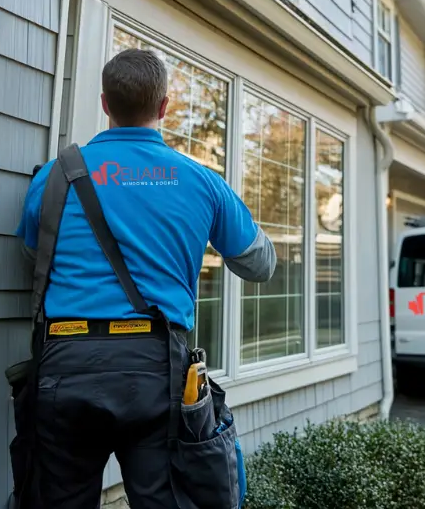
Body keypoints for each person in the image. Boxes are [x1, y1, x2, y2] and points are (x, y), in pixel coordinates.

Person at [14, 48, 276, 508]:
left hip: (65, 364)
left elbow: (34, 255)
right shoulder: (201, 181)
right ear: (163, 107)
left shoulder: (56, 177)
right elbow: (260, 265)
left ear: (104, 103)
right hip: (158, 370)